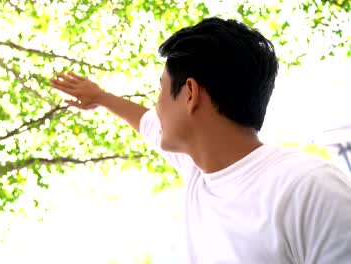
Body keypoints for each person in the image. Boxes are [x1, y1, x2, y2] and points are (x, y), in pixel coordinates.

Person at [50, 17, 351, 263]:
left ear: (190, 94)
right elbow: (146, 124)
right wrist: (101, 97)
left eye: (160, 91)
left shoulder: (308, 188)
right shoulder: (199, 172)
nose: (156, 106)